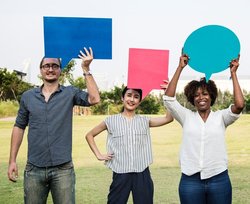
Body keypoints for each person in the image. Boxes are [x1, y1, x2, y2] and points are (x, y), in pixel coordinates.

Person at [7, 47, 100, 204]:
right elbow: (19, 127)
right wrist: (12, 160)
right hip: (34, 168)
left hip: (63, 169)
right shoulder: (28, 97)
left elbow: (94, 98)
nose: (50, 69)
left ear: (60, 70)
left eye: (55, 66)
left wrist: (86, 68)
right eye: (46, 66)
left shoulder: (70, 93)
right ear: (41, 70)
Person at [161, 52, 245, 204]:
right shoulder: (186, 116)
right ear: (192, 99)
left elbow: (239, 105)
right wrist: (180, 68)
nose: (201, 98)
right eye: (196, 95)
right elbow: (168, 99)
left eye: (205, 94)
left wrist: (233, 74)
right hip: (190, 181)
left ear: (211, 96)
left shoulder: (221, 117)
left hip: (219, 179)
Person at [85, 86, 173, 204]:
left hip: (142, 173)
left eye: (136, 97)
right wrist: (98, 154)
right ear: (123, 97)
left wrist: (167, 94)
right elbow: (89, 135)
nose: (132, 99)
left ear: (140, 101)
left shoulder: (145, 121)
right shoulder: (110, 121)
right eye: (129, 95)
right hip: (120, 174)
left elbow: (169, 118)